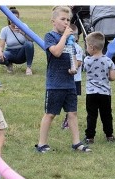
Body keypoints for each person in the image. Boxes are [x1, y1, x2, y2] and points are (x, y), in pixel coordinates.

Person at [35, 6, 89, 154]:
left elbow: (72, 57)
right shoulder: (50, 37)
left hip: (69, 83)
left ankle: (76, 142)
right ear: (53, 21)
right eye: (63, 19)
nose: (66, 22)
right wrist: (64, 37)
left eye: (68, 20)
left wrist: (74, 68)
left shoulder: (70, 40)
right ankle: (41, 144)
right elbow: (57, 52)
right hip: (54, 84)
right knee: (50, 114)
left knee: (72, 113)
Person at [81, 31, 115, 145]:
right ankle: (109, 135)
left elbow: (82, 69)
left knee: (91, 115)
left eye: (87, 46)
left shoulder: (87, 60)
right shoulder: (108, 61)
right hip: (105, 93)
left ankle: (90, 137)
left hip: (91, 93)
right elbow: (113, 77)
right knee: (106, 115)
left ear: (91, 47)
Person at [0, 7, 34, 75]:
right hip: (10, 52)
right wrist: (0, 52)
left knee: (29, 44)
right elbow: (0, 46)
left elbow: (32, 40)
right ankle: (9, 65)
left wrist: (22, 32)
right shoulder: (5, 30)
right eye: (12, 18)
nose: (14, 20)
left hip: (22, 53)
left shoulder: (24, 26)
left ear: (18, 18)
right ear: (8, 18)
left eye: (16, 18)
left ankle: (29, 67)